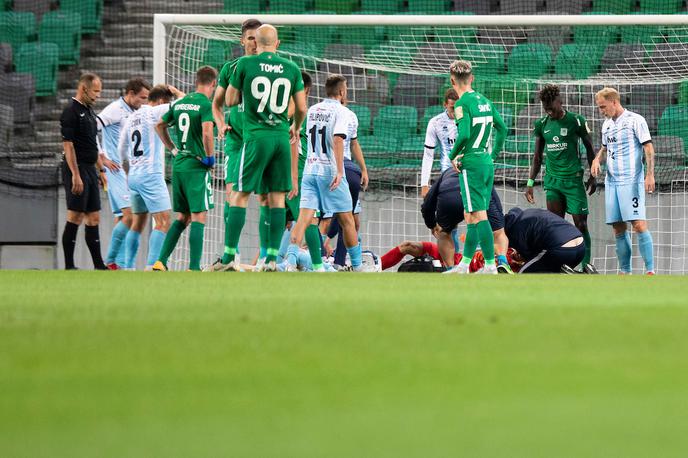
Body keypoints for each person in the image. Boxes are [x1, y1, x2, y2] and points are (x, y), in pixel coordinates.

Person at [224, 24, 307, 272]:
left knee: (239, 194)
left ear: (255, 43)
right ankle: (270, 259)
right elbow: (301, 108)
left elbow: (229, 100)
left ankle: (229, 257)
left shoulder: (244, 65)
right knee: (276, 199)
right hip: (282, 137)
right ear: (277, 43)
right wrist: (296, 127)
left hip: (256, 137)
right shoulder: (291, 68)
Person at [286, 74, 363, 272]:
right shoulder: (342, 111)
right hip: (329, 172)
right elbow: (338, 139)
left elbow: (293, 136)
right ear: (342, 92)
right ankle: (357, 266)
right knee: (348, 220)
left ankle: (290, 262)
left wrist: (295, 175)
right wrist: (339, 170)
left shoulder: (312, 110)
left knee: (303, 219)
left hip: (310, 171)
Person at [206, 18, 262, 271]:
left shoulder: (271, 68)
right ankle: (232, 256)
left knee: (268, 200)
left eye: (259, 38)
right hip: (237, 141)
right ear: (242, 41)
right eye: (251, 38)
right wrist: (219, 123)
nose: (255, 42)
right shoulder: (230, 67)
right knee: (231, 196)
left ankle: (268, 258)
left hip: (262, 140)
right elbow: (217, 105)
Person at [152, 66, 217, 271]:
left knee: (183, 217)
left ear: (197, 81)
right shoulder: (205, 104)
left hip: (179, 166)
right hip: (196, 166)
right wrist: (209, 158)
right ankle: (194, 267)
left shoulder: (182, 102)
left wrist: (172, 149)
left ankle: (160, 261)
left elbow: (159, 125)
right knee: (199, 216)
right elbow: (207, 133)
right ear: (213, 84)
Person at [446, 60, 507, 274]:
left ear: (452, 80)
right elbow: (503, 129)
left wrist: (452, 155)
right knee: (470, 214)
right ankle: (464, 265)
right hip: (485, 161)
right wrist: (493, 154)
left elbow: (463, 135)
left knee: (479, 214)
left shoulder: (462, 103)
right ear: (472, 78)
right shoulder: (485, 101)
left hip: (471, 162)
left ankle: (490, 265)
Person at [525, 84, 596, 269]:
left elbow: (589, 148)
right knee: (556, 227)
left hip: (573, 181)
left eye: (552, 107)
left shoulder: (576, 121)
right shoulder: (541, 124)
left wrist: (593, 174)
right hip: (553, 182)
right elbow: (537, 157)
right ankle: (558, 266)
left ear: (560, 101)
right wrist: (530, 182)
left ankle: (585, 265)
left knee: (580, 225)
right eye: (546, 108)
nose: (549, 112)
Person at [117, 84, 184, 270]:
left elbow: (121, 151)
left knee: (138, 223)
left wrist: (129, 171)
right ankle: (151, 266)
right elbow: (187, 103)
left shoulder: (131, 118)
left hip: (134, 176)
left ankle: (128, 267)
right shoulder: (155, 112)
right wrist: (176, 91)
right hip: (150, 175)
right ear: (162, 101)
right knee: (163, 221)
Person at [592, 87, 655, 275]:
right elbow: (604, 148)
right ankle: (624, 272)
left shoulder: (636, 120)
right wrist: (596, 159)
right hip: (612, 182)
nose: (601, 111)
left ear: (614, 102)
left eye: (603, 107)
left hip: (631, 180)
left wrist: (650, 174)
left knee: (638, 224)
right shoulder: (607, 125)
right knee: (618, 227)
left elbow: (649, 148)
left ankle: (650, 271)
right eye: (599, 108)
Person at [98, 77, 151, 269]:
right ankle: (111, 260)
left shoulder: (135, 112)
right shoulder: (114, 109)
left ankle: (118, 264)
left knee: (122, 218)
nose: (144, 102)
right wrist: (101, 157)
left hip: (129, 171)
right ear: (130, 94)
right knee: (130, 216)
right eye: (142, 97)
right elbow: (91, 127)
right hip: (116, 171)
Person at [421, 167, 511, 272]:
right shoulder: (481, 165)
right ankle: (502, 262)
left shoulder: (448, 172)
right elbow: (491, 192)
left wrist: (431, 224)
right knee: (498, 232)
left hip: (449, 196)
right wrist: (499, 223)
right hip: (476, 193)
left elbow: (427, 204)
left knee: (443, 233)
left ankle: (451, 268)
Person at [60, 73, 108, 270]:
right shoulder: (71, 111)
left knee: (93, 216)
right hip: (76, 168)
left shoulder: (89, 111)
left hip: (90, 169)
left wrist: (102, 169)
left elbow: (92, 145)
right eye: (95, 91)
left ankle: (99, 265)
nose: (98, 95)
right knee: (75, 216)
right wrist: (75, 175)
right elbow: (68, 146)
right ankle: (69, 266)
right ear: (84, 89)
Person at [282, 71, 325, 271]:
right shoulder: (303, 113)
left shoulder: (281, 111)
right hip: (298, 171)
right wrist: (294, 177)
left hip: (285, 170)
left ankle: (269, 262)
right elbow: (294, 142)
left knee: (280, 221)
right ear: (306, 90)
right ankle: (315, 266)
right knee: (310, 219)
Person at [323, 92, 369, 268]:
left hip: (346, 169)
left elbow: (354, 143)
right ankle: (320, 256)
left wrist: (364, 169)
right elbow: (337, 141)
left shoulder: (351, 115)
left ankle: (338, 261)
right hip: (331, 168)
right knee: (328, 219)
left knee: (351, 220)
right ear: (342, 93)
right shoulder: (322, 112)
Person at [503, 207, 585, 273]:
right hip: (580, 246)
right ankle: (581, 276)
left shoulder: (514, 230)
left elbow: (527, 256)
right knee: (549, 272)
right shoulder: (529, 212)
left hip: (560, 249)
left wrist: (520, 259)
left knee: (523, 273)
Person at [421, 88, 458, 198]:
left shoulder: (468, 119)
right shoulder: (435, 123)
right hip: (448, 175)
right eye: (452, 107)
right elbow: (428, 155)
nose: (455, 111)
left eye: (458, 107)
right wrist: (424, 185)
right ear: (445, 105)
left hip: (469, 174)